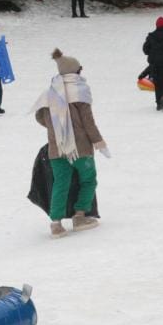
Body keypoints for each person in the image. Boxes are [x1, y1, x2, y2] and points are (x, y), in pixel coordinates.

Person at [33, 49, 108, 238]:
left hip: (56, 148)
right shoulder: (80, 91)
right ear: (75, 71)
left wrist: (57, 129)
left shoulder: (49, 93)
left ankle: (56, 224)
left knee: (60, 183)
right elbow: (87, 122)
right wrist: (98, 141)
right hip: (80, 148)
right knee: (89, 179)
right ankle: (80, 215)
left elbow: (40, 117)